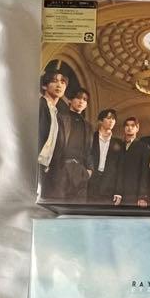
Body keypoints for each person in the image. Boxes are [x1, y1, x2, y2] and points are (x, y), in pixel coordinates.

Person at [37, 66, 69, 199]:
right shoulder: (39, 105)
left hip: (49, 169)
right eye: (55, 81)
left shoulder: (58, 114)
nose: (59, 85)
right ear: (44, 86)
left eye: (62, 82)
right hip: (35, 164)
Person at [58, 87, 92, 202]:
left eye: (85, 99)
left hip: (80, 170)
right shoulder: (61, 118)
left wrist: (89, 170)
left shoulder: (88, 126)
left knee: (79, 206)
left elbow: (89, 150)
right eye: (78, 98)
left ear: (86, 105)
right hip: (62, 167)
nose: (81, 101)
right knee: (60, 203)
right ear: (70, 100)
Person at [87, 108, 123, 204]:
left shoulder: (119, 143)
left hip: (109, 185)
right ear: (100, 121)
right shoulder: (91, 137)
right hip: (90, 182)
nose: (111, 121)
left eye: (113, 119)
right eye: (108, 118)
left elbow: (120, 168)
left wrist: (118, 191)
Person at [116, 116, 150, 207]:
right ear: (124, 128)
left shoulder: (143, 147)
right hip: (118, 193)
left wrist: (142, 196)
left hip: (134, 192)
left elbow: (145, 172)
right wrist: (117, 191)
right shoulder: (119, 145)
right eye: (127, 125)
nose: (129, 128)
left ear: (137, 128)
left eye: (132, 125)